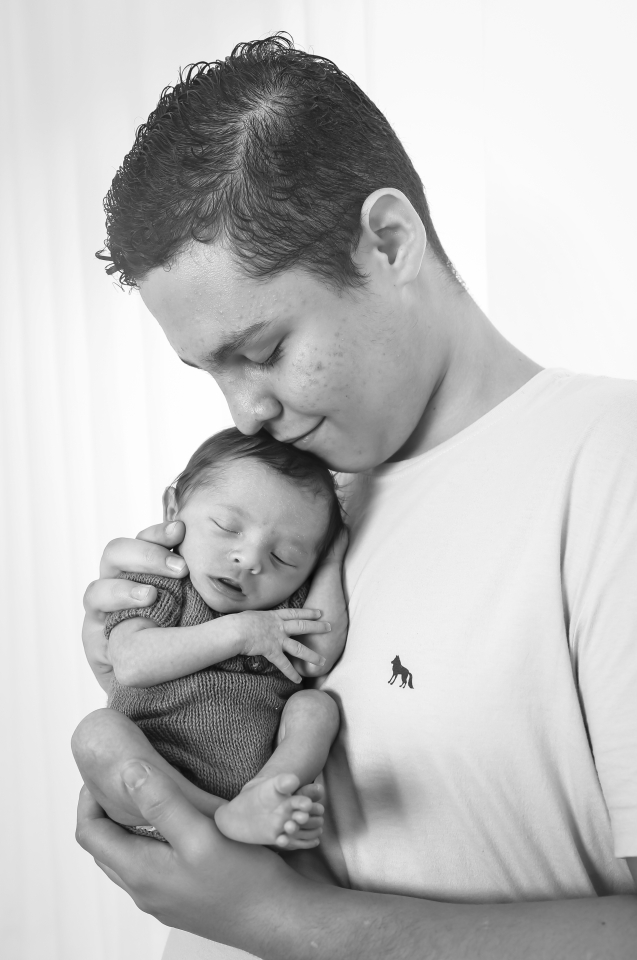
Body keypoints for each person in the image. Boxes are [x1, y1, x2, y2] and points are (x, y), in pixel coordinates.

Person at [77, 35, 637, 960]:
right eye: (209, 371)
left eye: (263, 352)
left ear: (388, 243)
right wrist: (143, 662)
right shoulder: (287, 499)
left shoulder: (610, 465)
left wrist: (282, 923)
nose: (245, 413)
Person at [72, 428, 347, 849]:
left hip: (251, 788)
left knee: (316, 707)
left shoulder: (280, 608)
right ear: (173, 511)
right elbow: (130, 662)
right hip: (151, 782)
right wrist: (238, 633)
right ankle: (221, 815)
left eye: (284, 557)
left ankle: (263, 795)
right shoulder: (161, 583)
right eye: (226, 526)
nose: (249, 559)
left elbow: (317, 656)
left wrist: (330, 564)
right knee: (95, 734)